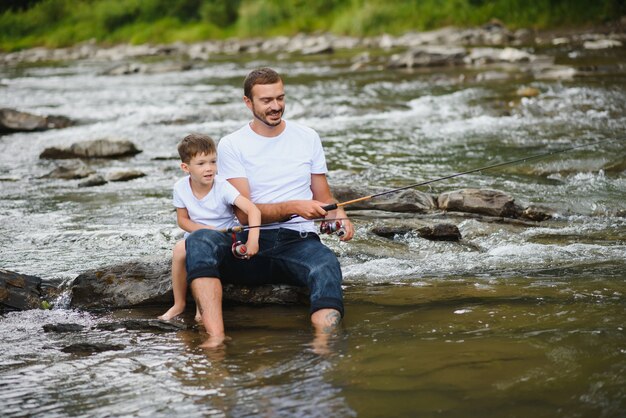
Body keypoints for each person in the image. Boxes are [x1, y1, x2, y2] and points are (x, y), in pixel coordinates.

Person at [184, 67, 354, 346]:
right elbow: (242, 212)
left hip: (298, 242)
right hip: (249, 241)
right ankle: (215, 338)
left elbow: (324, 196)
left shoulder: (308, 137)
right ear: (248, 103)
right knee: (200, 241)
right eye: (266, 100)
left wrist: (341, 218)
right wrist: (296, 206)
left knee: (326, 264)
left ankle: (324, 344)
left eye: (280, 98)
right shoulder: (232, 144)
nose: (276, 106)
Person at [158, 133, 261, 334]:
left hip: (225, 237)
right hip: (199, 235)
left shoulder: (222, 186)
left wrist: (253, 240)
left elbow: (253, 210)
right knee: (180, 250)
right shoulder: (180, 187)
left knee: (199, 252)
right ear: (185, 168)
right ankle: (179, 304)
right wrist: (205, 231)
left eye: (213, 161)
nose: (209, 168)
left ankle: (200, 310)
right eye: (201, 163)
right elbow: (183, 221)